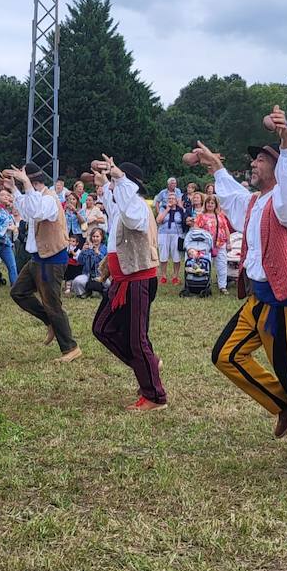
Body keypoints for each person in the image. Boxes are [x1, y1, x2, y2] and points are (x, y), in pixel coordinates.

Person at [197, 105, 287, 484]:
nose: (254, 163)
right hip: (259, 299)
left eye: (261, 158)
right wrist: (213, 165)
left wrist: (285, 138)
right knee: (225, 355)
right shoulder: (255, 202)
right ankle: (280, 404)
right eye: (255, 158)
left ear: (277, 167)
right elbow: (230, 196)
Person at [90, 158, 166, 410]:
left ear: (127, 185)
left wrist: (118, 181)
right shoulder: (125, 205)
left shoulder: (138, 207)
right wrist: (104, 184)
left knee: (137, 339)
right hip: (123, 280)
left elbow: (131, 220)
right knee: (102, 328)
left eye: (115, 182)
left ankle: (155, 396)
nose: (112, 186)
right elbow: (115, 210)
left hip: (138, 280)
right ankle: (149, 366)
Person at [7, 165, 80, 362]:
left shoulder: (49, 199)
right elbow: (27, 209)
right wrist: (14, 189)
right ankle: (50, 323)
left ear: (32, 182)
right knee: (18, 292)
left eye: (25, 183)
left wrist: (25, 184)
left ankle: (71, 348)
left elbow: (37, 211)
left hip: (52, 259)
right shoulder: (37, 196)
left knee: (52, 304)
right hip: (38, 258)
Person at [192, 194, 233, 295]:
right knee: (205, 264)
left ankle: (222, 286)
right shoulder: (201, 216)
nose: (210, 205)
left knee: (222, 265)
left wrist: (228, 242)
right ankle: (205, 283)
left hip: (220, 244)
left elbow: (226, 229)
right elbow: (195, 228)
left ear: (215, 205)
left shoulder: (220, 216)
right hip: (205, 245)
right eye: (208, 203)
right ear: (205, 204)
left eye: (212, 203)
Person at [155, 193, 186, 285]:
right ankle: (163, 276)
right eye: (169, 198)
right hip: (163, 234)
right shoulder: (163, 208)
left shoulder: (180, 210)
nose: (171, 200)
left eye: (173, 198)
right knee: (163, 255)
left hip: (177, 234)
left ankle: (175, 276)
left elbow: (185, 219)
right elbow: (158, 220)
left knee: (176, 256)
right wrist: (167, 209)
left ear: (176, 200)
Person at [71, 227, 107, 297]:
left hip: (100, 275)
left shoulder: (104, 248)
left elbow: (105, 263)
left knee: (108, 284)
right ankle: (84, 293)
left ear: (101, 238)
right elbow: (80, 262)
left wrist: (98, 253)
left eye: (97, 236)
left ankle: (101, 293)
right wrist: (82, 251)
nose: (95, 238)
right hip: (87, 274)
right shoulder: (88, 248)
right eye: (93, 236)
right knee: (76, 281)